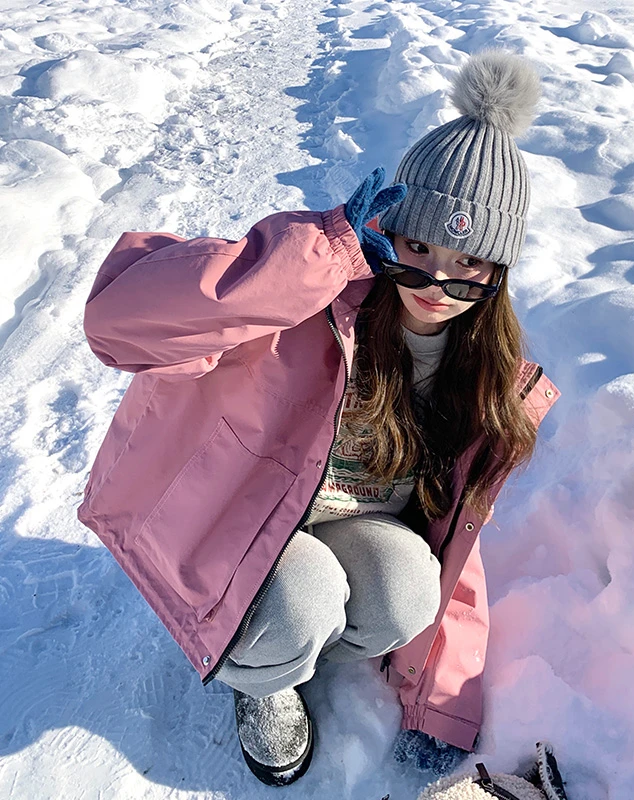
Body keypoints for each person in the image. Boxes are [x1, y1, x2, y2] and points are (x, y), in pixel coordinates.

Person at [77, 50, 560, 787]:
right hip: (237, 518)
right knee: (302, 596)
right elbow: (117, 323)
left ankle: (292, 643)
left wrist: (443, 705)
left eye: (468, 264)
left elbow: (458, 542)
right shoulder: (302, 303)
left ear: (500, 272)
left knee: (408, 587)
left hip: (348, 520)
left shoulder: (485, 376)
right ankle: (263, 676)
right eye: (417, 247)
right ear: (385, 229)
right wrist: (314, 253)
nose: (435, 281)